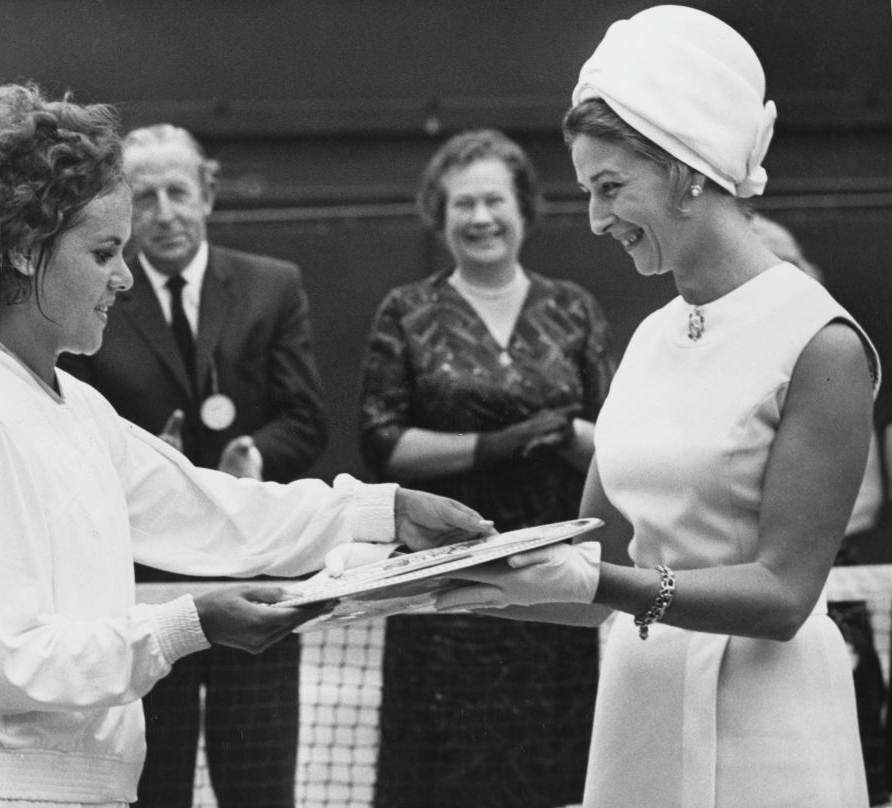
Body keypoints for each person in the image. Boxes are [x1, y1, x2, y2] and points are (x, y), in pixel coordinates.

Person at [0, 82, 493, 808]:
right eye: (106, 250)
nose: (122, 276)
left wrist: (383, 511)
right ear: (24, 251)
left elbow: (214, 510)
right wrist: (192, 624)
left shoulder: (70, 406)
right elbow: (17, 668)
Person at [434, 7, 880, 807]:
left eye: (612, 188)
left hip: (771, 723)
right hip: (638, 705)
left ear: (687, 170)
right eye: (589, 191)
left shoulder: (823, 343)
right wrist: (443, 581)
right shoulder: (646, 338)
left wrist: (598, 586)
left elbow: (783, 596)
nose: (598, 219)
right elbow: (592, 556)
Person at [59, 122, 328, 808]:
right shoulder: (96, 296)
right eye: (143, 197)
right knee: (156, 788)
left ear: (207, 195)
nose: (165, 212)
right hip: (145, 593)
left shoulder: (274, 286)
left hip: (258, 579)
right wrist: (151, 468)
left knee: (260, 788)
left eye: (179, 191)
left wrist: (256, 457)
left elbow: (307, 419)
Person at [358, 128, 615, 807]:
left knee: (555, 764)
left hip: (556, 581)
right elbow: (381, 443)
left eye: (493, 201)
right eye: (461, 204)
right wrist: (492, 446)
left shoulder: (573, 309)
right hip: (446, 578)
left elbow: (616, 445)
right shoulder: (406, 312)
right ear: (438, 217)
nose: (480, 218)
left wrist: (565, 434)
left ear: (523, 209)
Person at [751, 212, 889, 804]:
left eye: (788, 264)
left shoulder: (837, 355)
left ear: (812, 272)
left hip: (845, 592)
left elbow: (865, 499)